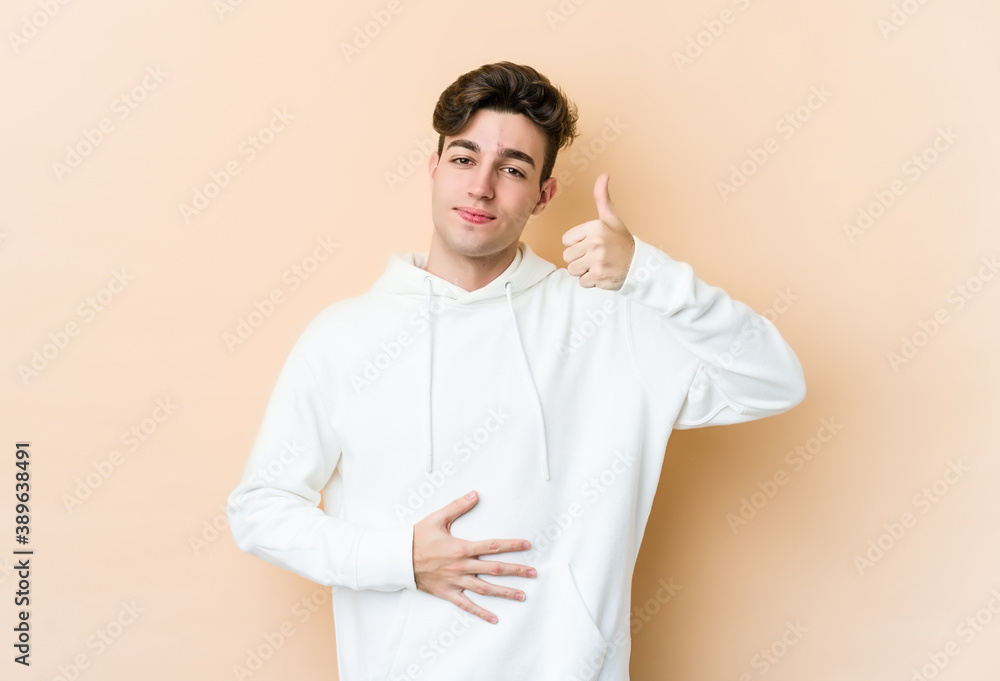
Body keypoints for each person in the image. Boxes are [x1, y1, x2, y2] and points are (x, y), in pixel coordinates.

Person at [227, 61, 806, 681]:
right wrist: (397, 559)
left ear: (543, 195)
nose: (481, 187)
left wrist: (647, 274)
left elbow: (772, 380)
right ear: (434, 167)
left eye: (512, 169)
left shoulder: (609, 322)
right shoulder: (343, 338)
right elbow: (260, 509)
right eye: (464, 159)